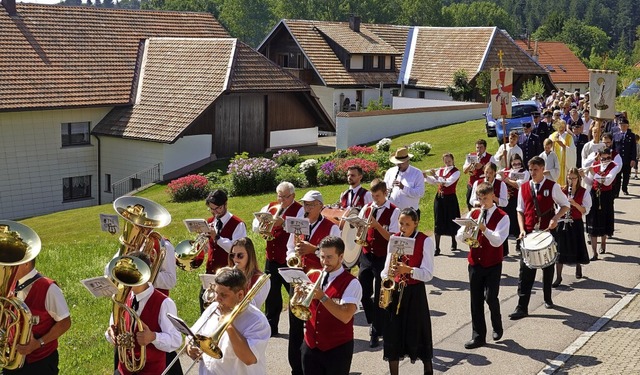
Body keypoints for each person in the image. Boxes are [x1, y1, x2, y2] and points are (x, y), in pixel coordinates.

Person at [286, 190, 340, 375]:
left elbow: (336, 255)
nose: (306, 208)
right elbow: (290, 248)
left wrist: (314, 250)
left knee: (319, 325)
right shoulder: (298, 225)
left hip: (321, 282)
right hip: (300, 280)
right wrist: (293, 256)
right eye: (305, 205)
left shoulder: (332, 227)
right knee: (295, 325)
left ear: (320, 206)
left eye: (310, 205)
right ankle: (296, 368)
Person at [509, 156, 570, 320]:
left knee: (547, 267)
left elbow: (565, 205)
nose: (532, 172)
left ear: (543, 169)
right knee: (525, 271)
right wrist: (521, 229)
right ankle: (522, 306)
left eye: (535, 169)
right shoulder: (524, 188)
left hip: (546, 233)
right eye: (530, 170)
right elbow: (519, 210)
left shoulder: (552, 186)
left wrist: (555, 218)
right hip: (528, 234)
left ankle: (547, 297)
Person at [106, 252, 182, 375]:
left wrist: (153, 337)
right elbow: (112, 329)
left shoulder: (164, 303)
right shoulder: (121, 298)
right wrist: (111, 334)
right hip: (124, 369)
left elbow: (175, 340)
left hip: (152, 371)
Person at [455, 182, 509, 349]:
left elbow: (498, 240)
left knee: (490, 297)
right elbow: (459, 236)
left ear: (493, 196)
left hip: (493, 263)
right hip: (475, 263)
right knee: (475, 300)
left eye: (485, 198)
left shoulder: (503, 216)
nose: (482, 202)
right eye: (479, 198)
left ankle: (497, 325)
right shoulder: (474, 212)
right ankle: (478, 336)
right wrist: (465, 233)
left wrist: (484, 229)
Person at [187, 267, 270, 375]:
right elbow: (191, 334)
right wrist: (190, 347)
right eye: (216, 293)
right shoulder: (214, 308)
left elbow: (249, 359)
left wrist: (228, 325)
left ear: (240, 295)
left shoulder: (257, 321)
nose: (217, 299)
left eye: (223, 295)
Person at [382, 208, 435, 375]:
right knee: (392, 333)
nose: (403, 227)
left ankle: (428, 369)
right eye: (401, 223)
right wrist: (388, 275)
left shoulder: (424, 241)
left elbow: (428, 274)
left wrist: (409, 270)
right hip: (395, 290)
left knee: (419, 331)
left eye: (407, 224)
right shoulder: (394, 239)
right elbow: (385, 269)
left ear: (416, 223)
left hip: (414, 291)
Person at [301, 236, 363, 375]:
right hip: (310, 345)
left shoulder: (352, 283)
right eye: (322, 257)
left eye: (329, 257)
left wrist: (323, 297)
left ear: (341, 257)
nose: (324, 262)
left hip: (337, 349)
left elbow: (346, 316)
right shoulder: (312, 276)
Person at [252, 181, 303, 336]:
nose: (281, 201)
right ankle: (271, 326)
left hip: (289, 259)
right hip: (272, 257)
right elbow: (255, 227)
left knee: (295, 293)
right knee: (272, 294)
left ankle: (300, 324)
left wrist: (284, 223)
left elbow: (299, 227)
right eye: (279, 196)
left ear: (293, 196)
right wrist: (261, 222)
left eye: (285, 197)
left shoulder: (300, 210)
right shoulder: (271, 206)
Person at [4, 257, 71, 375]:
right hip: (11, 359)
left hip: (40, 363)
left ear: (26, 263)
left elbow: (65, 323)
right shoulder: (11, 284)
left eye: (12, 264)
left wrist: (39, 343)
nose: (8, 268)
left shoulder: (49, 288)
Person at [357, 179, 400, 347]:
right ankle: (373, 321)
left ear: (385, 193)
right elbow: (361, 227)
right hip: (367, 254)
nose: (375, 200)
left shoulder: (394, 211)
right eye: (373, 196)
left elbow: (393, 237)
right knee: (363, 291)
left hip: (383, 256)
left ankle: (376, 331)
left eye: (378, 196)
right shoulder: (368, 208)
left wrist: (377, 225)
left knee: (379, 294)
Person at [197, 189, 247, 312]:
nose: (215, 213)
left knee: (224, 310)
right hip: (210, 271)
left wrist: (217, 237)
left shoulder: (238, 224)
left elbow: (236, 250)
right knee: (204, 307)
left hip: (228, 274)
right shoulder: (209, 222)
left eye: (218, 208)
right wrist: (201, 243)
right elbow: (209, 248)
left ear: (225, 204)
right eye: (211, 209)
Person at [552, 168, 591, 287]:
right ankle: (558, 277)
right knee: (560, 249)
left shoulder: (583, 192)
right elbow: (556, 206)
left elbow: (585, 210)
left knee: (577, 246)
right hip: (563, 222)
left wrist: (574, 204)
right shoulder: (561, 190)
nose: (571, 180)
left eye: (574, 178)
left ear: (578, 178)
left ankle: (578, 267)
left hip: (576, 222)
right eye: (569, 178)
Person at [424, 153, 461, 255]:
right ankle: (437, 248)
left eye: (449, 161)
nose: (447, 163)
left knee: (452, 220)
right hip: (440, 198)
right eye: (446, 161)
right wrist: (426, 176)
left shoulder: (456, 172)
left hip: (450, 199)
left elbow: (447, 182)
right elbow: (434, 182)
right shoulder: (441, 170)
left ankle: (453, 240)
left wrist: (435, 175)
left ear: (453, 160)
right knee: (438, 220)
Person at [584, 148, 618, 259]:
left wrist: (594, 174)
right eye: (603, 158)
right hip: (594, 195)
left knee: (604, 220)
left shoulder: (614, 166)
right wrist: (583, 175)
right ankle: (594, 253)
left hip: (606, 196)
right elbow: (590, 182)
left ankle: (603, 243)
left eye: (608, 157)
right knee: (593, 222)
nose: (606, 160)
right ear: (599, 157)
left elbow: (607, 181)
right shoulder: (595, 164)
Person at [497, 154, 530, 254]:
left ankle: (519, 245)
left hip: (517, 199)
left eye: (518, 163)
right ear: (511, 163)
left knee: (517, 222)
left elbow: (519, 185)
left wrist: (506, 179)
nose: (516, 165)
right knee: (505, 222)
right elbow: (497, 180)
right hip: (506, 200)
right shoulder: (506, 171)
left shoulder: (525, 172)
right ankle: (505, 249)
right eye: (514, 163)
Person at [228, 237, 270, 308]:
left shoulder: (260, 279)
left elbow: (254, 306)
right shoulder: (230, 274)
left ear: (250, 256)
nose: (235, 259)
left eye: (240, 256)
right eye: (232, 255)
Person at [384, 147, 425, 218]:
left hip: (410, 213)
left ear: (408, 161)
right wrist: (386, 191)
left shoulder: (417, 173)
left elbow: (420, 193)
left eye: (401, 163)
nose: (399, 165)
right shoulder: (390, 171)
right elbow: (384, 188)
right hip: (393, 211)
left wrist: (403, 187)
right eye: (397, 162)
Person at [462, 139, 493, 210]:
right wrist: (471, 165)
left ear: (485, 148)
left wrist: (482, 167)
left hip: (483, 185)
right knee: (470, 203)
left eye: (481, 147)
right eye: (477, 148)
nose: (479, 150)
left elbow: (492, 172)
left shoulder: (490, 157)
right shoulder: (470, 156)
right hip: (472, 184)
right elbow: (464, 171)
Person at [612, 118, 637, 196]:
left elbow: (634, 148)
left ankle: (624, 188)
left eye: (624, 125)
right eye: (621, 125)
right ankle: (616, 192)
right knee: (617, 177)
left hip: (627, 159)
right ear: (619, 126)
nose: (622, 127)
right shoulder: (615, 135)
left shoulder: (631, 136)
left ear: (627, 126)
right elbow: (613, 148)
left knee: (626, 175)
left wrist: (633, 159)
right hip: (617, 160)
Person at [549, 119, 576, 186]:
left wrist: (563, 146)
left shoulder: (569, 137)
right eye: (559, 126)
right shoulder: (552, 136)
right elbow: (548, 149)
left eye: (563, 127)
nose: (561, 129)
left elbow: (572, 152)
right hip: (554, 165)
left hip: (565, 165)